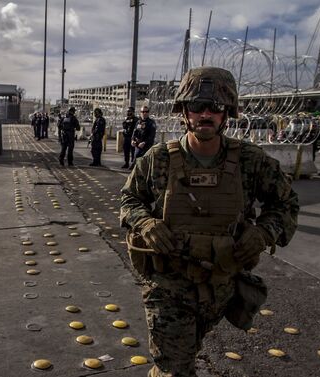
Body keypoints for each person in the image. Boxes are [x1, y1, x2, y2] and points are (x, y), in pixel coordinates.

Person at [120, 66, 299, 377]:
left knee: (183, 357)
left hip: (220, 289)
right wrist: (146, 224)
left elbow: (286, 203)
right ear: (184, 112)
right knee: (175, 368)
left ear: (226, 113)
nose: (205, 114)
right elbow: (129, 200)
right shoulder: (157, 159)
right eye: (196, 106)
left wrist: (264, 232)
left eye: (214, 107)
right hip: (169, 288)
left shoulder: (250, 161)